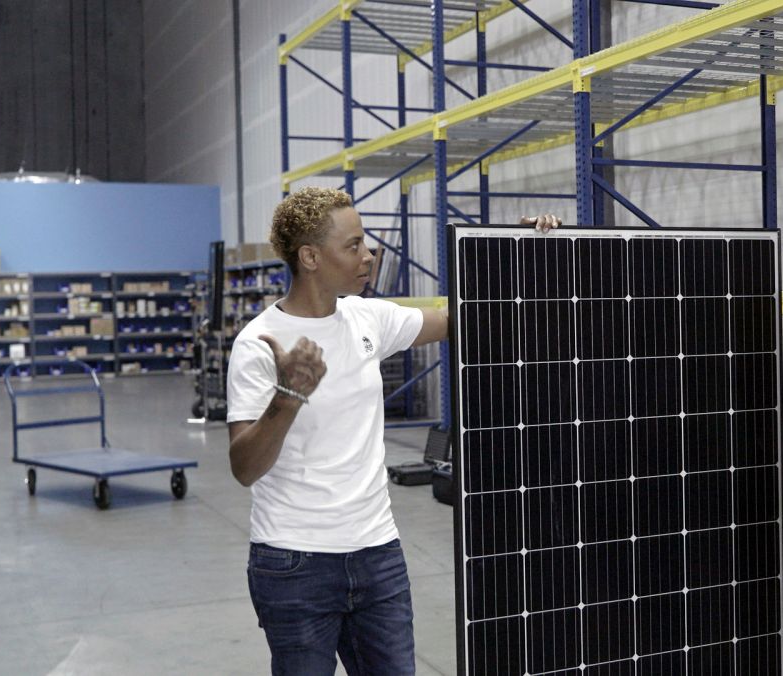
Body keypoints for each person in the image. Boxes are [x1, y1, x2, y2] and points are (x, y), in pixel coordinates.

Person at [226, 186, 560, 675]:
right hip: (295, 563)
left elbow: (461, 318)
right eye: (354, 245)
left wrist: (515, 251)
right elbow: (244, 468)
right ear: (311, 256)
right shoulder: (258, 344)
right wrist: (288, 397)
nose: (370, 255)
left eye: (367, 243)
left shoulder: (368, 318)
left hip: (378, 555)